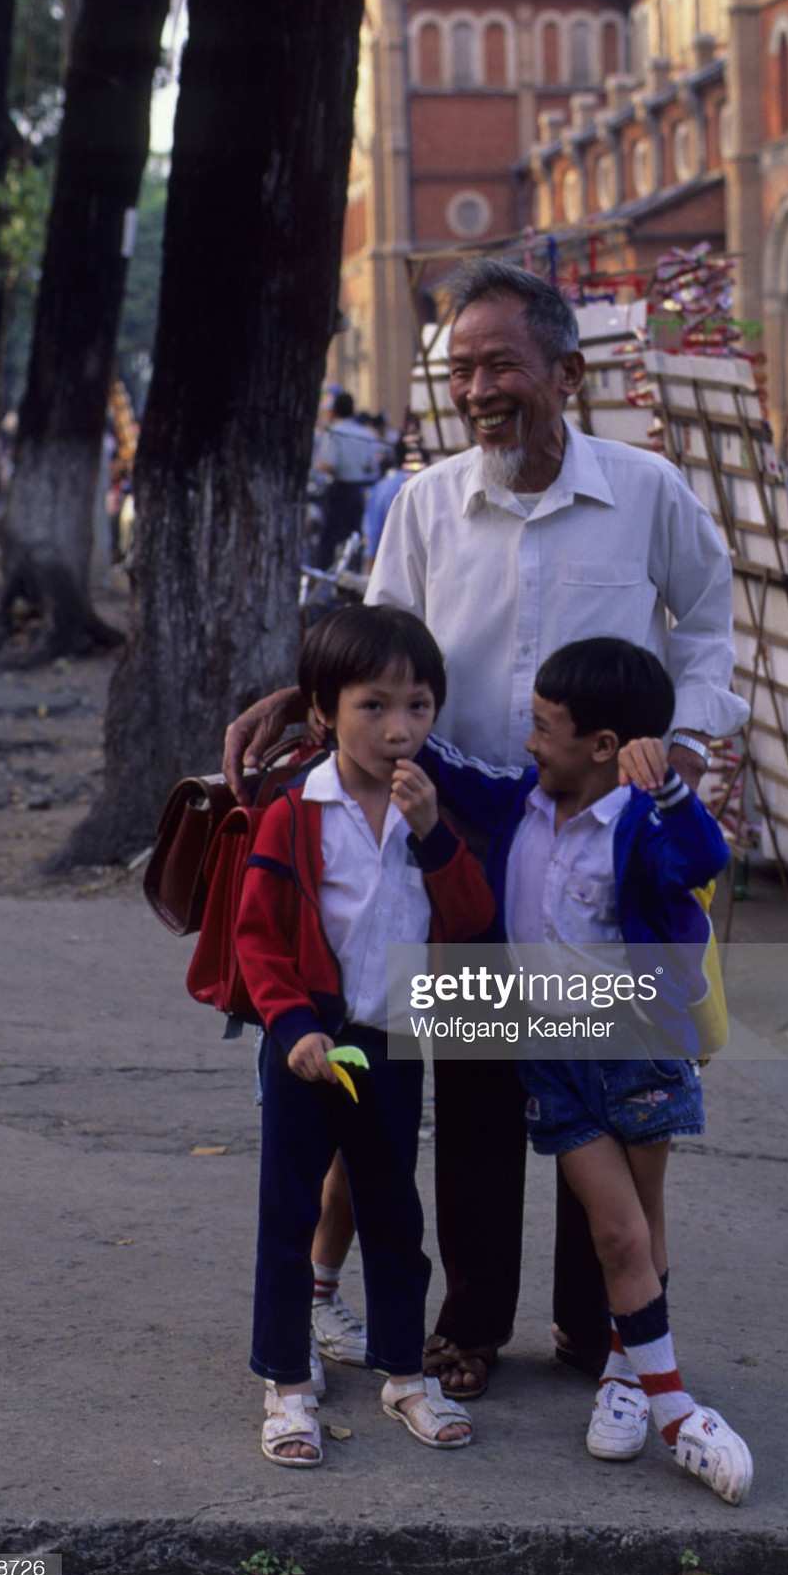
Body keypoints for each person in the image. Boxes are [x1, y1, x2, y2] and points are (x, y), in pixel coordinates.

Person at [224, 257, 749, 1399]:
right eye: (460, 369)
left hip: (602, 844)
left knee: (597, 1078)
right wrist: (301, 696)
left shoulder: (647, 491)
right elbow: (378, 650)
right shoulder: (426, 504)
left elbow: (711, 627)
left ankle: (597, 1326)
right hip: (455, 833)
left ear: (566, 372)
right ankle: (469, 1322)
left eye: (500, 365)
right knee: (472, 1091)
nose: (476, 390)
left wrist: (686, 740)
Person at [407, 636, 751, 1504]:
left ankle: (631, 1380)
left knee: (635, 1227)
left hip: (634, 1051)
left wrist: (669, 786)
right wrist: (379, 719)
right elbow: (457, 771)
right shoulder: (524, 802)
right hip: (554, 1060)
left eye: (543, 729)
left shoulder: (641, 824)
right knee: (617, 1232)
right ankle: (669, 1402)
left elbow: (703, 859)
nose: (528, 743)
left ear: (602, 745)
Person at [234, 605, 494, 1466]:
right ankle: (287, 1385)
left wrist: (434, 836)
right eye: (373, 706)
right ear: (323, 711)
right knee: (290, 1216)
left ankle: (403, 1375)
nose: (398, 729)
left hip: (390, 1042)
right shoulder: (296, 812)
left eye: (418, 706)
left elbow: (471, 920)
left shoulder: (431, 811)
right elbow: (259, 937)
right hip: (307, 1044)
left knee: (394, 1214)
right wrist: (292, 1024)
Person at [314, 391, 378, 568]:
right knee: (354, 536)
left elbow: (329, 464)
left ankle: (323, 573)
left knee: (329, 536)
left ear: (335, 410)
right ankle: (353, 569)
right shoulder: (363, 433)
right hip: (357, 490)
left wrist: (316, 465)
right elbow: (370, 466)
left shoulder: (334, 432)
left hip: (339, 489)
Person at [363, 438, 411, 568]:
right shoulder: (433, 486)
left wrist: (370, 570)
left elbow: (374, 534)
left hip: (391, 566)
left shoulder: (383, 486)